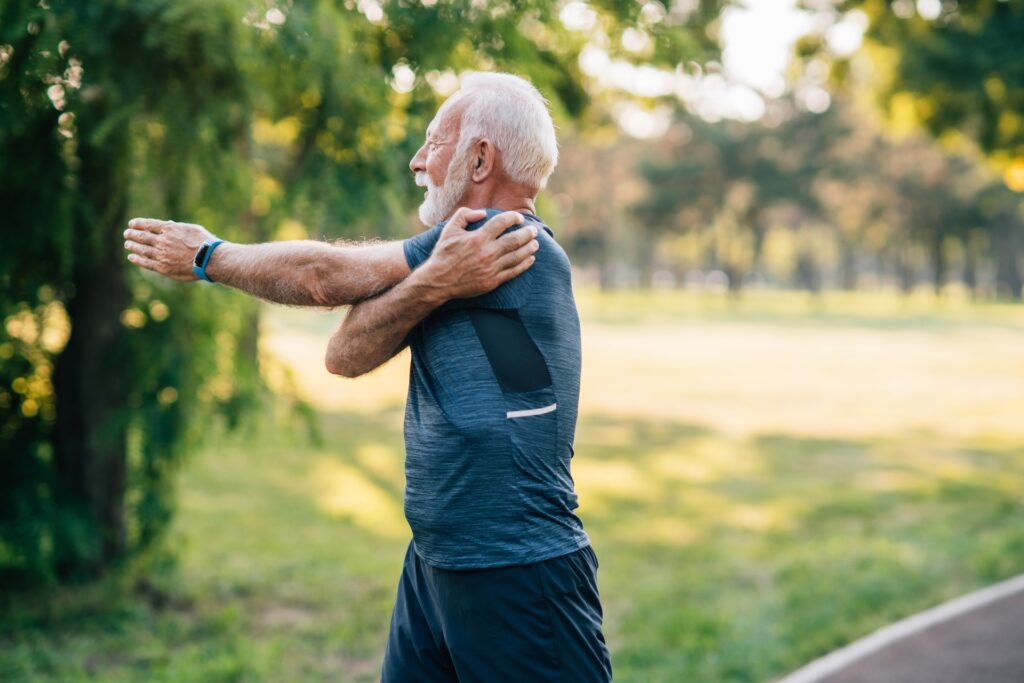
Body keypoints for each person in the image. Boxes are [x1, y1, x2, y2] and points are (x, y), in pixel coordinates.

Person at [124, 72, 612, 682]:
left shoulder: (508, 242)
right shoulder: (453, 261)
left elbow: (324, 277)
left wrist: (208, 256)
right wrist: (432, 284)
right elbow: (345, 352)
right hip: (434, 566)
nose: (417, 160)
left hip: (517, 573)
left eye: (434, 141)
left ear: (481, 156)